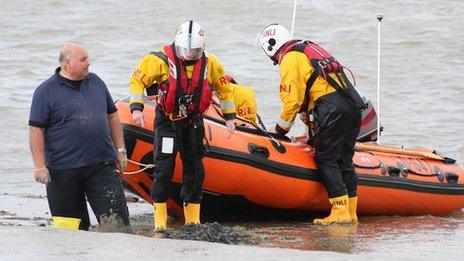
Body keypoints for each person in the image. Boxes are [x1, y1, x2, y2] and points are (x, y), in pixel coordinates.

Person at [129, 20, 236, 231]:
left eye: (194, 51)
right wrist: (136, 108)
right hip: (168, 122)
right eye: (184, 50)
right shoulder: (158, 61)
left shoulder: (211, 63)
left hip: (192, 122)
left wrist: (230, 116)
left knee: (194, 168)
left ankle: (193, 219)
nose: (188, 54)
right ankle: (160, 221)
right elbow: (137, 81)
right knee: (164, 167)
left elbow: (225, 89)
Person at [258, 23, 364, 225]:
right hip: (353, 105)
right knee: (345, 159)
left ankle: (340, 212)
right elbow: (318, 85)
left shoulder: (289, 58)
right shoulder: (308, 49)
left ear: (270, 47)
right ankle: (351, 213)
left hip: (333, 110)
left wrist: (281, 129)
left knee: (326, 158)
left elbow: (292, 99)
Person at [29, 43, 132, 232]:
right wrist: (39, 166)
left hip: (101, 166)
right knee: (70, 233)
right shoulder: (45, 91)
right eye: (83, 59)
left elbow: (113, 116)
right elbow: (36, 130)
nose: (89, 63)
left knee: (118, 228)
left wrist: (120, 150)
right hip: (62, 171)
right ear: (67, 63)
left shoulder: (96, 82)